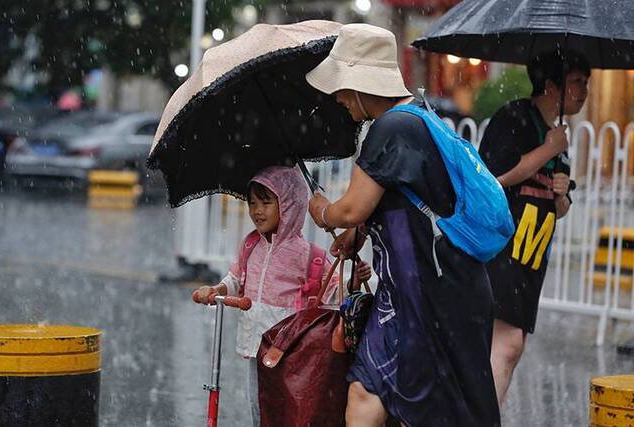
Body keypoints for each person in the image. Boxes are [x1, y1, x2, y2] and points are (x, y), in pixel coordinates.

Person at [306, 23, 500, 427]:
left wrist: (323, 211)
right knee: (366, 391)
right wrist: (358, 235)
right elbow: (403, 205)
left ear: (360, 81)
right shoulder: (416, 119)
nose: (339, 98)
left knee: (439, 412)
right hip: (416, 294)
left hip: (434, 295)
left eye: (341, 86)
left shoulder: (392, 127)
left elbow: (352, 208)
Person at [192, 165, 370, 426]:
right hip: (256, 344)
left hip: (292, 347)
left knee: (289, 405)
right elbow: (236, 280)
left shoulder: (308, 255)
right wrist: (217, 290)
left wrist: (353, 280)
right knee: (259, 406)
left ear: (289, 205)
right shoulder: (250, 245)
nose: (257, 211)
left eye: (266, 203)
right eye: (252, 203)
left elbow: (332, 291)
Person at [478, 51, 590, 408]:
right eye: (577, 82)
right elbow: (495, 178)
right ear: (552, 85)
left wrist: (561, 195)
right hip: (502, 249)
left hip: (531, 257)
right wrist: (547, 150)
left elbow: (559, 207)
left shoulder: (558, 135)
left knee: (506, 347)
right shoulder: (515, 118)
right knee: (507, 346)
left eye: (586, 83)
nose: (584, 91)